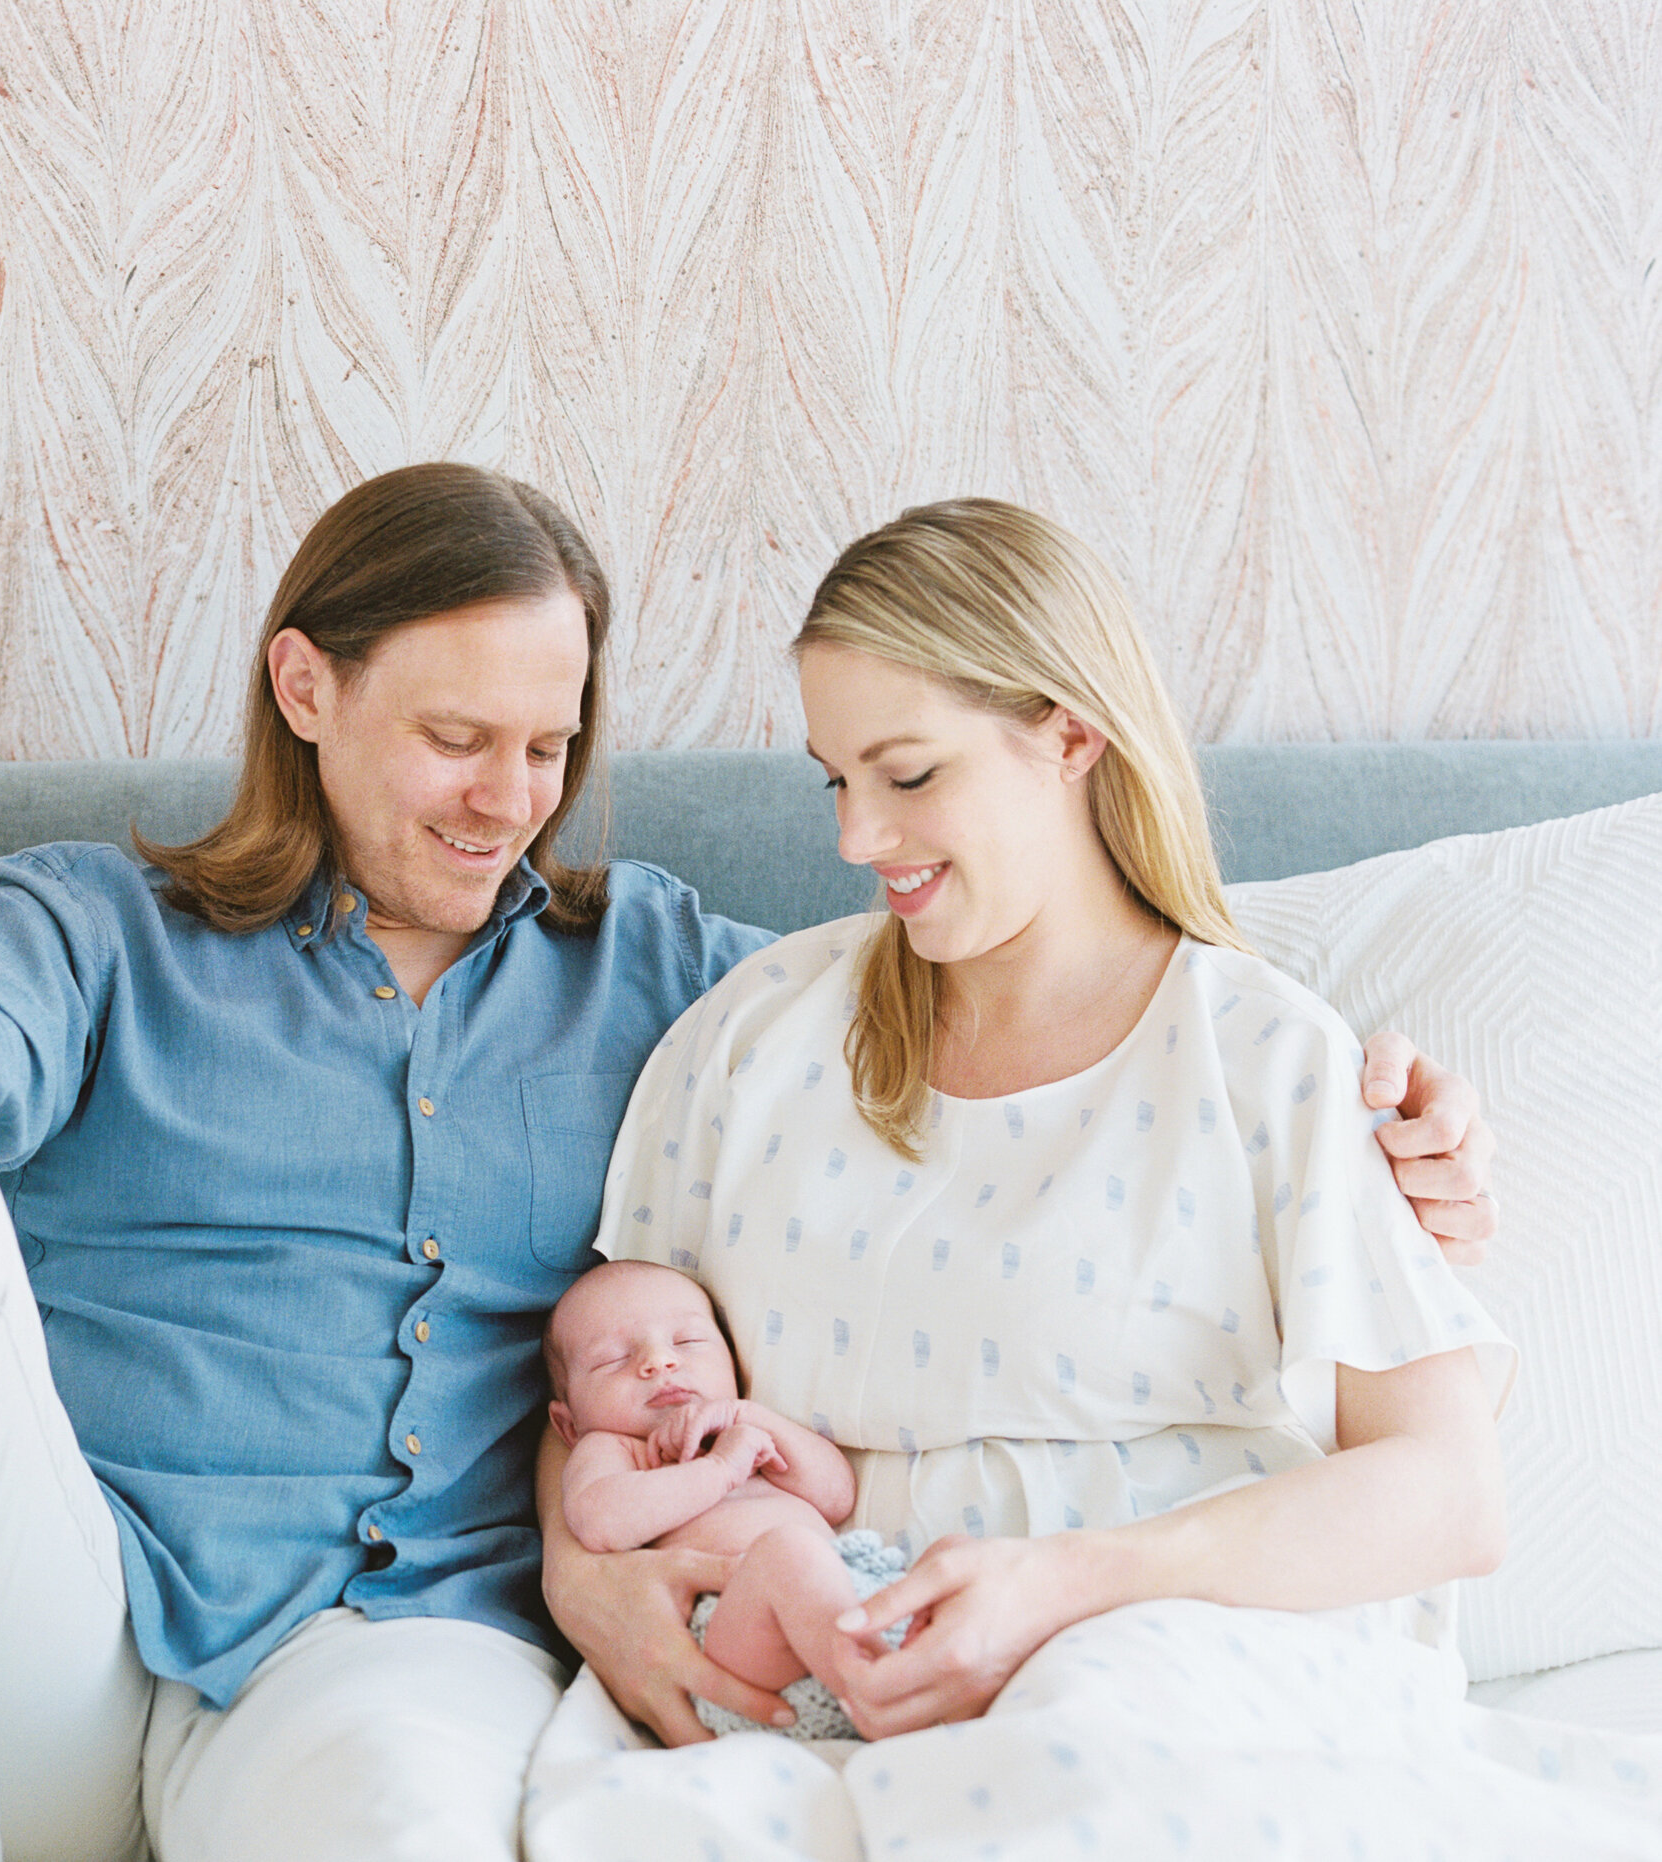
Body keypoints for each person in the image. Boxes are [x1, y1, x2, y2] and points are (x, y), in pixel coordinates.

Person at [0, 465, 1498, 1862]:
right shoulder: (111, 924)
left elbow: (1003, 1017)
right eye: (457, 740)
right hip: (68, 1622)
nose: (509, 798)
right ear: (306, 686)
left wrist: (1385, 1105)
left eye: (551, 747)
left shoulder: (670, 976)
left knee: (410, 1830)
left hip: (395, 1653)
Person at [550, 498, 1516, 1774]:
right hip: (825, 1668)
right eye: (836, 781)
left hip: (1181, 1655)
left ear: (1068, 733)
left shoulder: (1264, 1059)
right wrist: (581, 1581)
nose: (854, 838)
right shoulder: (754, 1035)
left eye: (907, 775)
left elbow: (1449, 1489)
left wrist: (1062, 1587)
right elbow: (585, 1377)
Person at [544, 1258, 908, 1742]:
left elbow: (837, 1497)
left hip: (850, 1598)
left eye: (688, 1342)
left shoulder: (743, 1430)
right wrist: (719, 1470)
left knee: (954, 1555)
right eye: (612, 1359)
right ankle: (888, 1695)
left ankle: (918, 1675)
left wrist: (748, 1418)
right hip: (728, 1641)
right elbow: (599, 1522)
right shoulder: (613, 1449)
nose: (659, 1362)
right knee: (788, 1555)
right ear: (568, 1425)